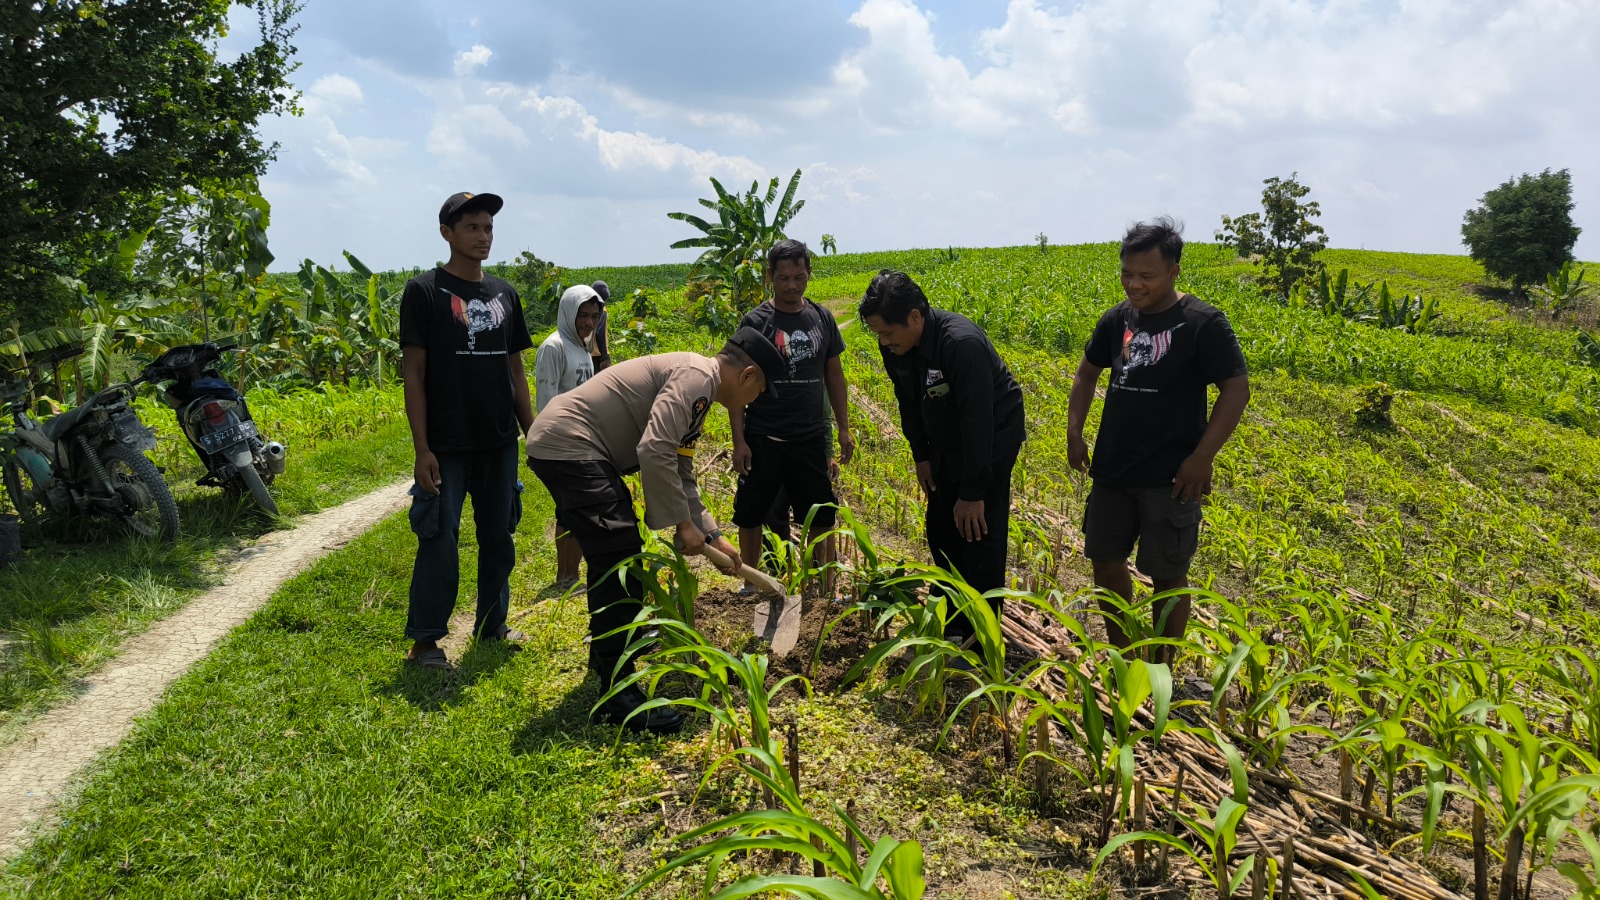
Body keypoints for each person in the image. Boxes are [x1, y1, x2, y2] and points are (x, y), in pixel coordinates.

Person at [526, 326, 787, 733]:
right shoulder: (697, 377)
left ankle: (607, 655)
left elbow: (680, 467)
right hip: (570, 443)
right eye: (759, 393)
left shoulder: (698, 388)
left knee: (614, 552)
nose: (753, 402)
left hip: (580, 446)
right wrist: (683, 525)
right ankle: (618, 690)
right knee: (619, 550)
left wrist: (713, 534)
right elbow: (654, 448)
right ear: (748, 375)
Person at [1066, 218, 1250, 663]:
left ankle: (1161, 664)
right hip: (1113, 470)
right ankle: (1126, 655)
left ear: (1173, 272)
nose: (1134, 284)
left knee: (1167, 574)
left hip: (1171, 476)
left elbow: (1236, 389)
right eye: (1127, 274)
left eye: (1146, 276)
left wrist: (1202, 458)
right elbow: (1087, 373)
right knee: (1106, 562)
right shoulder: (1116, 320)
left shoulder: (1202, 323)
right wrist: (1075, 432)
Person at [400, 191, 535, 671]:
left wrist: (532, 431)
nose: (483, 236)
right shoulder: (424, 291)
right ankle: (426, 640)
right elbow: (413, 373)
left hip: (498, 440)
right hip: (447, 443)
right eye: (473, 228)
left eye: (488, 228)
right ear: (447, 233)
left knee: (499, 533)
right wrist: (422, 448)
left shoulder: (504, 294)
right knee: (440, 536)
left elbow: (515, 370)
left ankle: (492, 623)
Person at [859, 270, 1025, 652]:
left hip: (992, 437)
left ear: (915, 317)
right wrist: (921, 455)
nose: (883, 342)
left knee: (979, 532)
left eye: (887, 332)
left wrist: (972, 491)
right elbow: (908, 402)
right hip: (945, 435)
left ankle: (981, 640)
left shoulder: (959, 344)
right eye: (878, 334)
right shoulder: (896, 347)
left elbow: (978, 420)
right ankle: (952, 622)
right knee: (942, 529)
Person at [729, 240, 854, 598]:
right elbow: (737, 385)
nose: (791, 285)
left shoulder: (821, 318)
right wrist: (739, 441)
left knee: (821, 514)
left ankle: (825, 586)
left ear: (809, 274)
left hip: (809, 436)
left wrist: (844, 428)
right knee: (751, 511)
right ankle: (751, 582)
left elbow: (834, 375)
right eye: (783, 277)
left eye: (799, 277)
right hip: (763, 435)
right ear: (770, 277)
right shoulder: (755, 321)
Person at [535, 284, 604, 586]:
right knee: (575, 510)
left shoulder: (582, 345)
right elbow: (547, 400)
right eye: (583, 316)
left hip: (583, 440)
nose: (589, 322)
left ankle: (567, 577)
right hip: (563, 443)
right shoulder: (554, 347)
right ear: (568, 313)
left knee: (568, 512)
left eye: (594, 315)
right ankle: (569, 577)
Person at [589, 281, 613, 373]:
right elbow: (600, 332)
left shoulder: (590, 307)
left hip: (589, 352)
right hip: (599, 354)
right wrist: (604, 356)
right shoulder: (602, 309)